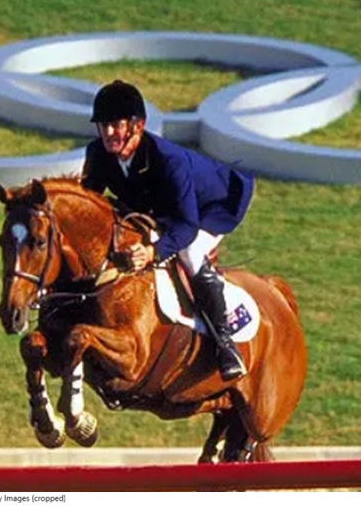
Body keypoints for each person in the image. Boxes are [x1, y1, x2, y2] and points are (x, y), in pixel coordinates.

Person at [81, 79, 255, 381]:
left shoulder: (168, 161)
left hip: (210, 207)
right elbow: (89, 202)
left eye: (116, 125)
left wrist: (153, 252)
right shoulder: (98, 152)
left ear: (137, 126)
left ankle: (225, 344)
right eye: (103, 125)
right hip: (158, 209)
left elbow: (186, 225)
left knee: (189, 253)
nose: (108, 133)